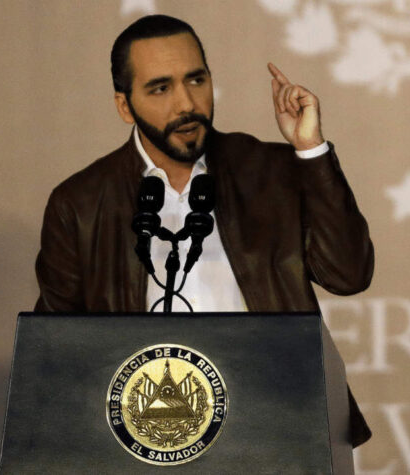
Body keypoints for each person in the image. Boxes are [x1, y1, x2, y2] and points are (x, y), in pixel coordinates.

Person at [34, 15, 373, 447]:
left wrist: (310, 152)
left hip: (275, 428)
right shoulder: (79, 204)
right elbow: (54, 350)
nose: (186, 104)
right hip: (145, 441)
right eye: (160, 88)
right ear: (125, 105)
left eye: (196, 80)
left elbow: (348, 275)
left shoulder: (272, 171)